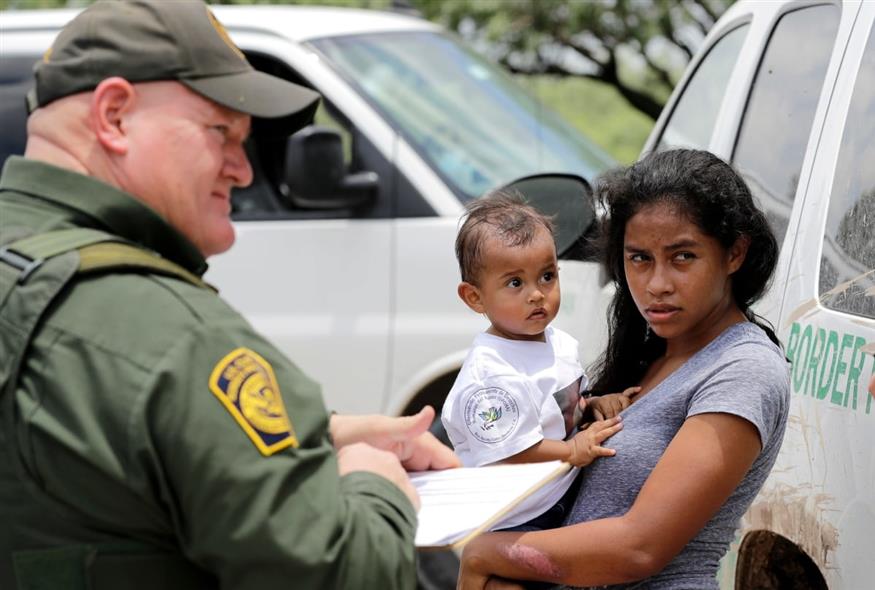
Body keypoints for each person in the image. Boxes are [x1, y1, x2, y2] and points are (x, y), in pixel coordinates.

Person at [0, 2, 458, 589]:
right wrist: (370, 480)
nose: (242, 171)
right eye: (221, 132)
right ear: (114, 116)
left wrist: (316, 433)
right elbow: (340, 572)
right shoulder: (171, 332)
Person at [457, 149, 791, 589]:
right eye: (639, 259)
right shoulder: (652, 354)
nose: (657, 284)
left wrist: (487, 554)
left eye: (683, 257)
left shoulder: (743, 369)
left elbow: (639, 547)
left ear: (734, 253)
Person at [441, 192, 634, 530]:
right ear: (474, 297)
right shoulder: (490, 375)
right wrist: (572, 451)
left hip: (555, 493)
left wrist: (594, 405)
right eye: (515, 282)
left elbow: (560, 406)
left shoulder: (559, 343)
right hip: (515, 515)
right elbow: (511, 451)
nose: (536, 293)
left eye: (547, 276)